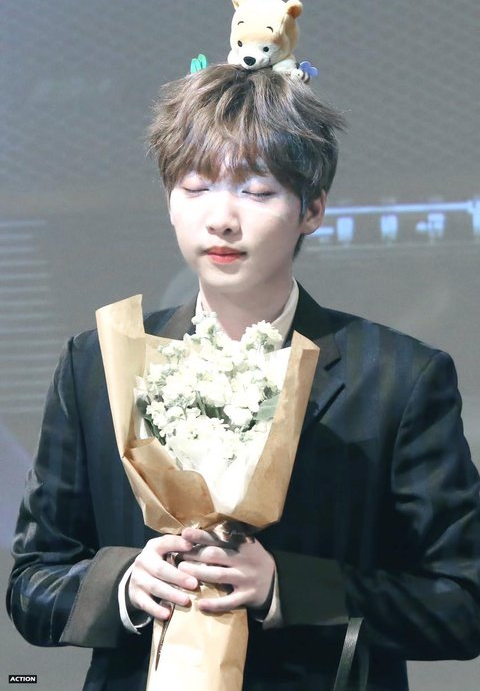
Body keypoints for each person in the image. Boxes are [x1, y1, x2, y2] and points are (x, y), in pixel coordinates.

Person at [6, 64, 480, 691]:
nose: (222, 219)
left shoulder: (399, 377)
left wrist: (288, 587)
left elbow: (462, 602)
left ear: (312, 208)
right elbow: (31, 582)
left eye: (257, 191)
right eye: (196, 187)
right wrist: (124, 583)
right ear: (169, 200)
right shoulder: (97, 365)